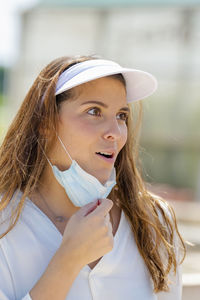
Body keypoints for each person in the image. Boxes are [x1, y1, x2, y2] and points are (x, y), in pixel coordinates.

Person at [0, 56, 185, 300]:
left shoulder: (155, 221)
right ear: (45, 123)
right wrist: (68, 260)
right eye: (94, 111)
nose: (115, 133)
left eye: (121, 115)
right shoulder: (6, 221)